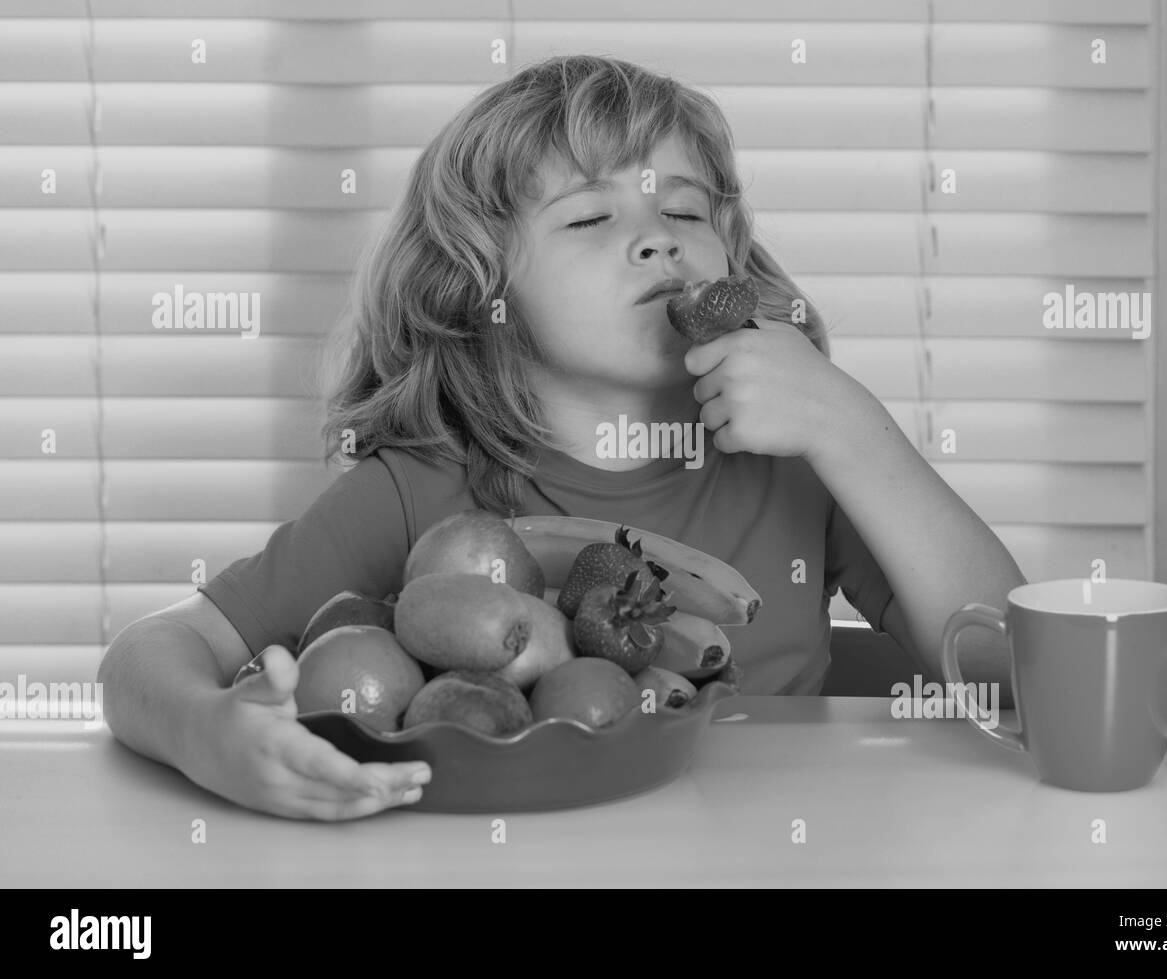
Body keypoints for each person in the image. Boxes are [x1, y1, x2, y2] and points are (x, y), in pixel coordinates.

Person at [99, 55, 1023, 822]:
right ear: (476, 287)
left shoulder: (800, 470)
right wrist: (207, 736)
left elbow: (1015, 671)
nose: (659, 240)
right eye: (591, 217)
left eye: (689, 212)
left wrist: (853, 427)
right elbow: (152, 655)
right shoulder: (416, 489)